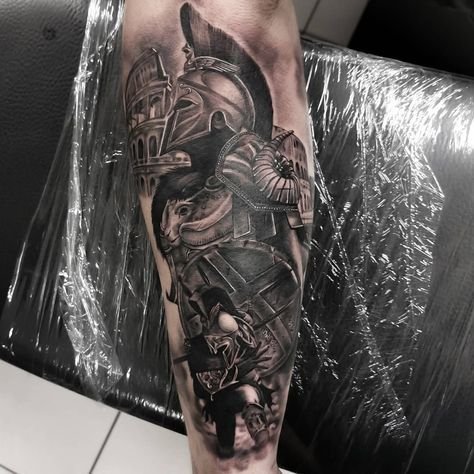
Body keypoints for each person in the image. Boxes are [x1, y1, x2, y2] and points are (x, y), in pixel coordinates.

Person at [122, 1, 314, 472]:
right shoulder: (182, 185)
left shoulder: (242, 162)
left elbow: (245, 7)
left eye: (185, 104)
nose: (173, 114)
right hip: (211, 323)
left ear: (218, 118)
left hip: (245, 325)